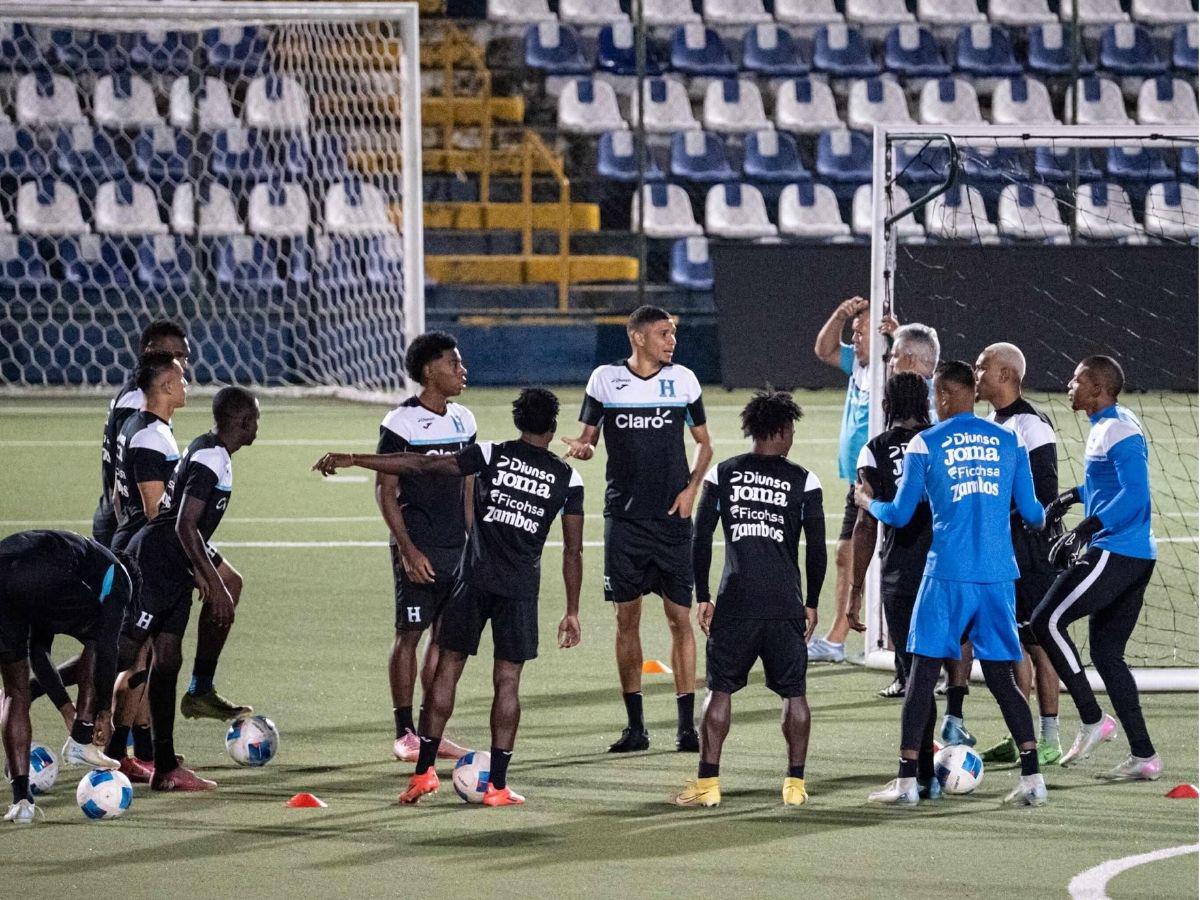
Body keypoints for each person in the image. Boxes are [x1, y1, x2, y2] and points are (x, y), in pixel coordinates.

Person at [314, 388, 584, 807]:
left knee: (447, 670)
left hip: (471, 579)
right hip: (518, 591)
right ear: (552, 428)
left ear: (518, 422)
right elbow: (573, 550)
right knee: (507, 682)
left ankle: (423, 773)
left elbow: (422, 464)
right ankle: (497, 786)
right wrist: (571, 610)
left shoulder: (489, 454)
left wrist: (355, 458)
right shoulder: (568, 478)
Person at [856, 361, 1049, 807]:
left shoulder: (926, 442)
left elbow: (900, 515)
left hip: (946, 576)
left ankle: (907, 783)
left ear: (943, 395)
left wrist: (868, 502)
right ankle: (1033, 779)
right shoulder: (1010, 439)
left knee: (922, 675)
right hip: (997, 577)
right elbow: (1033, 514)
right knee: (1001, 678)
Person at [562, 306, 712, 754]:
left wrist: (691, 490)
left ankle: (686, 729)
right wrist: (583, 449)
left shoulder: (684, 380)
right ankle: (636, 729)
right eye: (664, 333)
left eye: (673, 334)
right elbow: (588, 438)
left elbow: (704, 444)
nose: (672, 341)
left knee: (679, 619)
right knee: (626, 620)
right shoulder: (605, 380)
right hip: (624, 520)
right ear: (638, 337)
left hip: (672, 520)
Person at [675, 389, 825, 808]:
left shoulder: (722, 474)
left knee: (720, 691)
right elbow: (815, 548)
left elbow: (700, 538)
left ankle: (708, 785)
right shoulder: (804, 479)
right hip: (784, 603)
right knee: (794, 693)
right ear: (781, 430)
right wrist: (812, 601)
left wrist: (704, 595)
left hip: (735, 601)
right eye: (791, 429)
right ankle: (794, 785)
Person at [1030, 356, 1162, 781]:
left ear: (1099, 390)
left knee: (1045, 620)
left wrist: (1085, 528)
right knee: (1106, 654)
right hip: (1134, 554)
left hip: (1117, 550)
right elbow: (1106, 485)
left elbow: (1136, 495)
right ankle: (1144, 757)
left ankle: (1091, 718)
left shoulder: (1117, 429)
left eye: (1077, 380)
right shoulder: (1109, 423)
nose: (1069, 385)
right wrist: (1070, 498)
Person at [123, 386, 260, 791]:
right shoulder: (211, 457)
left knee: (167, 663)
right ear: (244, 422)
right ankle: (37, 692)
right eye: (256, 418)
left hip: (175, 568)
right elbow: (184, 525)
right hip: (155, 564)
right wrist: (214, 583)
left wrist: (201, 573)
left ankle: (164, 767)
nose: (258, 425)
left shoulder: (213, 451)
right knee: (119, 655)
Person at [375, 332, 475, 763]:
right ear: (430, 371)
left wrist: (474, 541)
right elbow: (385, 489)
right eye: (454, 363)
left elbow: (469, 484)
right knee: (409, 635)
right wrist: (407, 549)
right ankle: (404, 733)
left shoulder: (465, 420)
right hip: (419, 545)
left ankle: (431, 732)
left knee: (445, 638)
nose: (462, 370)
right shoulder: (401, 422)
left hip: (457, 548)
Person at [1, 530, 138, 824]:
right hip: (38, 570)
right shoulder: (120, 578)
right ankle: (82, 737)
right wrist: (105, 712)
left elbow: (39, 652)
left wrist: (66, 708)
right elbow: (106, 648)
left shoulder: (78, 562)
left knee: (14, 691)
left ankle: (22, 801)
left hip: (6, 571)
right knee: (98, 634)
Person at [973, 343, 1065, 767]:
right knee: (1015, 643)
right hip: (1003, 550)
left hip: (1034, 552)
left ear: (1006, 375)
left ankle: (1050, 738)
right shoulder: (991, 422)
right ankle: (1020, 734)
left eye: (982, 367)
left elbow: (1045, 497)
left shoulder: (1031, 424)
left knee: (1040, 641)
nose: (976, 374)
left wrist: (995, 514)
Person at [809, 297, 898, 664]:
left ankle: (893, 639)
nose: (856, 340)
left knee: (891, 560)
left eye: (862, 333)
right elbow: (823, 349)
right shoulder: (858, 365)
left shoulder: (891, 368)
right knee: (847, 554)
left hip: (886, 479)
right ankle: (838, 638)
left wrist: (897, 340)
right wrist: (841, 315)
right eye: (855, 333)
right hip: (859, 481)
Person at [850, 374, 933, 714]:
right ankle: (955, 710)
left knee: (914, 666)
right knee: (956, 641)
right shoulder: (941, 441)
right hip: (950, 563)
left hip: (903, 568)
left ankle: (917, 740)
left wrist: (855, 590)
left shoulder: (874, 450)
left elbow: (865, 525)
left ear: (886, 405)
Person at [92, 320, 190, 548]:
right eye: (175, 355)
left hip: (123, 521)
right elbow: (123, 481)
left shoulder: (140, 397)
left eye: (184, 357)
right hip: (127, 523)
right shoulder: (137, 403)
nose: (182, 364)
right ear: (150, 351)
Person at [111, 351, 188, 552]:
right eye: (181, 378)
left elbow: (117, 498)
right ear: (168, 386)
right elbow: (154, 512)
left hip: (131, 541)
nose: (185, 383)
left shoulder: (133, 424)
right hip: (145, 552)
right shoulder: (150, 437)